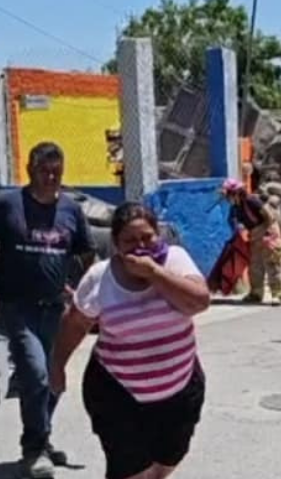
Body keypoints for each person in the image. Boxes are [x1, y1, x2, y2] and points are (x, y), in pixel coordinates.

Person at [50, 202, 210, 479]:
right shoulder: (100, 277)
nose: (140, 246)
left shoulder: (175, 259)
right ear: (116, 243)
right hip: (117, 393)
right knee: (130, 471)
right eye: (130, 241)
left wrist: (155, 273)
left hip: (181, 388)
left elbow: (199, 302)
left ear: (158, 234)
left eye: (147, 237)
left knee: (167, 461)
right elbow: (75, 324)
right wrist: (57, 366)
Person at [0, 141, 94, 479]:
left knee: (53, 378)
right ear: (30, 169)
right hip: (17, 306)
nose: (51, 177)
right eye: (44, 170)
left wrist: (92, 296)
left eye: (57, 171)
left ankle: (41, 437)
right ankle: (33, 450)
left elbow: (88, 258)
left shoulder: (72, 210)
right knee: (35, 373)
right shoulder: (7, 206)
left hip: (56, 307)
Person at [221, 179, 281, 306]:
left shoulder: (252, 201)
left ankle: (278, 294)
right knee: (255, 267)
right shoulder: (236, 208)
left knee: (272, 264)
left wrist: (268, 234)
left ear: (236, 193)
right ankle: (256, 293)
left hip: (267, 232)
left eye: (228, 194)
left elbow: (268, 216)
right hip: (254, 236)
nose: (227, 198)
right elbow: (234, 223)